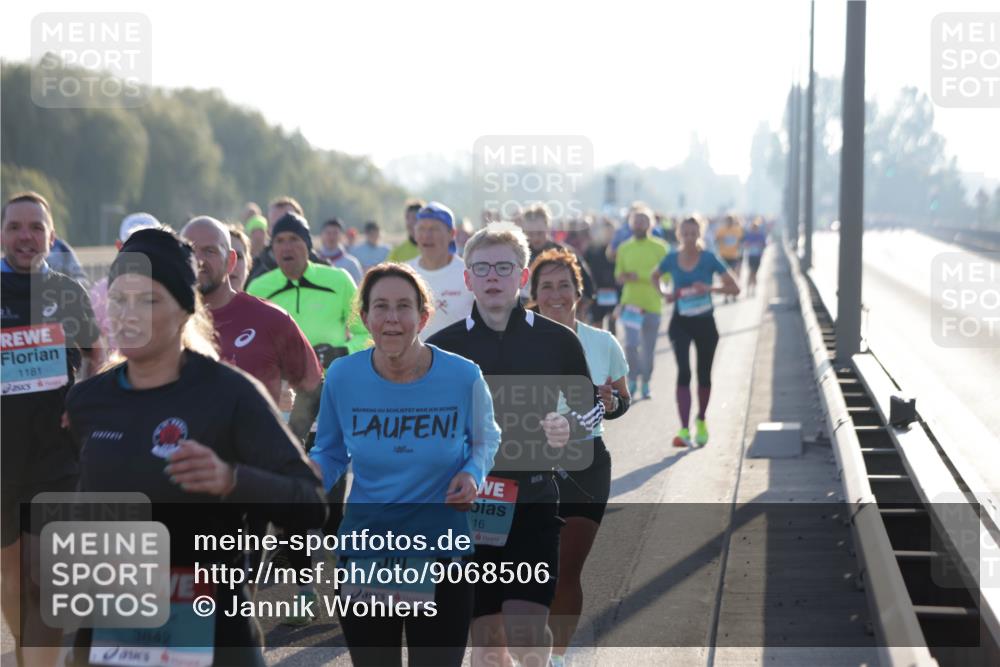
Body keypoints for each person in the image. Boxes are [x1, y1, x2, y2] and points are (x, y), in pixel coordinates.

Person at [64, 227, 327, 667]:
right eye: (119, 299)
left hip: (214, 634)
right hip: (118, 635)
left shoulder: (230, 394)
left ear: (185, 310)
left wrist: (232, 479)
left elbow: (310, 503)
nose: (128, 314)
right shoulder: (89, 401)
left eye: (148, 300)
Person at [428, 222, 604, 667]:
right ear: (466, 277)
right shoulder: (442, 348)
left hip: (534, 502)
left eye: (503, 267)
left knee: (527, 637)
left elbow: (590, 411)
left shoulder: (557, 340)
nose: (492, 277)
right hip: (468, 509)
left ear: (522, 277)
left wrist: (570, 427)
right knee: (487, 648)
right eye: (481, 268)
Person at [309, 262, 501, 666]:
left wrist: (472, 473)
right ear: (364, 318)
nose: (392, 318)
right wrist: (307, 477)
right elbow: (328, 451)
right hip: (368, 550)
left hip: (441, 549)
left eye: (403, 307)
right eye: (380, 307)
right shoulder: (342, 377)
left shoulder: (463, 376)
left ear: (423, 316)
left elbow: (486, 439)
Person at [1, 191, 104, 667]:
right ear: (2, 234)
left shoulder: (68, 291)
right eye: (15, 226)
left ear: (52, 235)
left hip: (58, 459)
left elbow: (94, 355)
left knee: (49, 576)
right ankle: (29, 655)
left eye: (35, 227)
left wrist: (84, 401)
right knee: (11, 576)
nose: (26, 236)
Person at [527, 249, 631, 667]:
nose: (556, 294)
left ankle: (557, 657)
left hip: (586, 464)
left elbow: (622, 399)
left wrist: (610, 404)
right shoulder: (517, 340)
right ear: (533, 293)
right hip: (527, 461)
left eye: (563, 285)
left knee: (566, 570)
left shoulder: (602, 342)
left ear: (578, 291)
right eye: (546, 287)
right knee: (527, 571)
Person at [180, 216, 322, 423]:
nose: (199, 260)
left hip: (256, 454)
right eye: (191, 251)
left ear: (230, 261)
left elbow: (313, 386)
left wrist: (292, 439)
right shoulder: (166, 322)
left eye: (210, 251)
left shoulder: (271, 319)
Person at [652, 216, 740, 448]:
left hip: (705, 324)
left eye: (694, 233)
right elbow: (655, 276)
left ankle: (701, 420)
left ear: (699, 234)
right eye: (686, 233)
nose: (690, 238)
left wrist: (709, 288)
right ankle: (683, 429)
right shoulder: (671, 258)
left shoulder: (709, 259)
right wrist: (665, 295)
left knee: (704, 374)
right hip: (680, 323)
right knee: (684, 372)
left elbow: (735, 287)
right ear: (679, 235)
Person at [246, 211, 370, 366]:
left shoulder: (339, 280)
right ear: (272, 248)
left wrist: (342, 352)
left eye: (294, 239)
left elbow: (368, 335)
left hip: (330, 381)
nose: (286, 248)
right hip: (282, 385)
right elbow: (247, 342)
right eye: (279, 241)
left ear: (308, 245)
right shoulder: (258, 287)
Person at [614, 204, 669, 400]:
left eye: (643, 221)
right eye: (636, 221)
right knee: (629, 345)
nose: (639, 224)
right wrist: (625, 276)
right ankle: (633, 379)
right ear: (631, 224)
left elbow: (667, 276)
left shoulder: (661, 247)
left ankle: (646, 382)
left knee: (648, 347)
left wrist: (642, 276)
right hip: (630, 304)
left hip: (652, 304)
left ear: (650, 224)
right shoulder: (624, 248)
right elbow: (618, 275)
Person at [90, 213, 163, 350]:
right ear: (119, 246)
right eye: (134, 244)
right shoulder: (101, 292)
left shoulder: (172, 289)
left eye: (150, 244)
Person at [407, 201, 475, 340]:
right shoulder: (404, 273)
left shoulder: (469, 273)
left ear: (452, 233)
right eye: (421, 229)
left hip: (458, 358)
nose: (427, 235)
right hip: (413, 360)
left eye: (434, 229)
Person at [247, 196, 323, 283]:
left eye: (289, 224)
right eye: (276, 225)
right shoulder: (253, 272)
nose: (282, 230)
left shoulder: (324, 270)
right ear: (268, 230)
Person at [317, 217, 363, 283]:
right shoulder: (313, 262)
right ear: (321, 235)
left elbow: (359, 289)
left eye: (335, 233)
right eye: (328, 233)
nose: (331, 237)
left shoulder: (351, 263)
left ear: (342, 236)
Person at [714, 214, 744, 300]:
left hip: (734, 255)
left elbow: (741, 243)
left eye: (731, 220)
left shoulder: (738, 230)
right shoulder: (721, 230)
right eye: (728, 220)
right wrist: (720, 240)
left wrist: (740, 256)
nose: (729, 222)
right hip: (724, 255)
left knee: (734, 276)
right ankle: (726, 296)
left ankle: (734, 294)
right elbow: (716, 240)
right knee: (725, 277)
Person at [387, 199, 424, 263]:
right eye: (407, 218)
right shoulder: (397, 252)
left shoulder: (434, 249)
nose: (410, 223)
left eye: (414, 218)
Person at [743, 217, 768, 296]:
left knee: (755, 273)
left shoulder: (761, 235)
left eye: (755, 228)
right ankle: (748, 290)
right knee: (751, 272)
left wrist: (759, 245)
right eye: (753, 228)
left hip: (758, 256)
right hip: (751, 256)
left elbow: (764, 245)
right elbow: (745, 245)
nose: (754, 229)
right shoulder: (749, 235)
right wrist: (750, 245)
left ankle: (753, 289)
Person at [228, 224, 252, 291]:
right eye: (226, 256)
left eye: (238, 257)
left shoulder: (258, 301)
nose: (232, 263)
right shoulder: (197, 301)